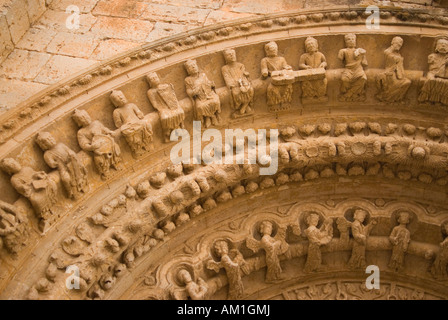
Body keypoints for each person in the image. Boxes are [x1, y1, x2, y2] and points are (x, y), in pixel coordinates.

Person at [36, 132, 88, 199]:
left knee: (79, 170)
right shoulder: (47, 154)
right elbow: (52, 165)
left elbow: (69, 150)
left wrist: (71, 154)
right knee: (66, 178)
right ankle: (72, 192)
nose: (50, 140)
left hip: (72, 162)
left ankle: (82, 185)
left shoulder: (60, 145)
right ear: (44, 145)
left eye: (50, 138)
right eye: (47, 141)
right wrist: (56, 162)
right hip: (63, 168)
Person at [72, 109, 122, 179]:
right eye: (82, 118)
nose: (85, 118)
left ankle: (116, 162)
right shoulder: (81, 132)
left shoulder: (96, 123)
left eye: (86, 116)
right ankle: (105, 170)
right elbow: (83, 144)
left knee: (115, 148)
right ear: (79, 122)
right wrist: (91, 147)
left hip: (106, 142)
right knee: (99, 159)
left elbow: (104, 129)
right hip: (97, 148)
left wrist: (109, 132)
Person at [110, 90, 153, 156]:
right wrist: (125, 125)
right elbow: (118, 124)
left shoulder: (131, 105)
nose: (121, 98)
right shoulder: (116, 111)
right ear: (115, 103)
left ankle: (146, 144)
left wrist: (139, 114)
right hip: (128, 126)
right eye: (117, 97)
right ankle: (137, 149)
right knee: (128, 132)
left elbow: (139, 114)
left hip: (137, 123)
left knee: (144, 125)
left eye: (121, 95)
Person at [146, 72, 185, 142]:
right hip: (162, 108)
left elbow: (173, 97)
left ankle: (181, 127)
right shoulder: (150, 92)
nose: (154, 79)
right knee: (165, 117)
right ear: (150, 82)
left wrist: (172, 101)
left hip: (172, 105)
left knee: (179, 112)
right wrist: (162, 108)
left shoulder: (166, 86)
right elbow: (155, 104)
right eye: (152, 79)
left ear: (158, 78)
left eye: (155, 77)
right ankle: (167, 133)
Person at [184, 59, 221, 128]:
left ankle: (215, 115)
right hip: (200, 98)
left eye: (194, 65)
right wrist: (194, 92)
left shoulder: (203, 75)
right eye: (190, 67)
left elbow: (208, 83)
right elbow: (188, 90)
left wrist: (211, 84)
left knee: (215, 101)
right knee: (200, 107)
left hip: (209, 94)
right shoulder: (188, 80)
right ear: (188, 70)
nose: (193, 67)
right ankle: (210, 117)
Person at [376, 36, 411, 102]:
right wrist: (398, 59)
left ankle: (396, 98)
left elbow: (399, 66)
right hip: (389, 75)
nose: (399, 45)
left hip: (396, 75)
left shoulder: (397, 54)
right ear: (392, 42)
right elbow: (390, 56)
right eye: (398, 43)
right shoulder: (388, 51)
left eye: (400, 44)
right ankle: (386, 96)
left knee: (407, 82)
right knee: (405, 83)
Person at [261, 41, 293, 111]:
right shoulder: (265, 60)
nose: (274, 51)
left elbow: (285, 66)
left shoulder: (281, 59)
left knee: (288, 86)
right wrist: (265, 72)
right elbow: (264, 70)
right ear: (267, 51)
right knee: (272, 88)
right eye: (272, 49)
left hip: (282, 76)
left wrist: (287, 68)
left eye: (275, 49)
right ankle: (273, 104)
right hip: (271, 78)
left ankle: (285, 102)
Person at [221, 49, 254, 117]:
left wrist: (246, 76)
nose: (231, 55)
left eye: (233, 54)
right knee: (236, 93)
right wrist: (232, 84)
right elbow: (227, 78)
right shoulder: (225, 68)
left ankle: (244, 107)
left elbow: (243, 74)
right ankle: (243, 107)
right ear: (225, 58)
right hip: (234, 85)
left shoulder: (240, 65)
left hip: (243, 83)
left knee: (250, 90)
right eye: (229, 55)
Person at [338, 33, 368, 101]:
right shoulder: (344, 51)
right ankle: (352, 93)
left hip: (358, 69)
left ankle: (348, 94)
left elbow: (365, 63)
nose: (351, 41)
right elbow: (340, 58)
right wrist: (341, 52)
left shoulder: (359, 51)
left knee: (363, 78)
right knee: (344, 79)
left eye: (353, 39)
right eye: (349, 39)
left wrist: (363, 55)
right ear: (346, 42)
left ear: (355, 41)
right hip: (348, 69)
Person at [418, 38, 448, 105]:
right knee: (431, 81)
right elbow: (432, 68)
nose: (443, 46)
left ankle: (441, 101)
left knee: (445, 84)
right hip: (433, 73)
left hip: (444, 75)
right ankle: (425, 99)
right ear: (436, 47)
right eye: (441, 44)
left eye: (446, 45)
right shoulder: (432, 56)